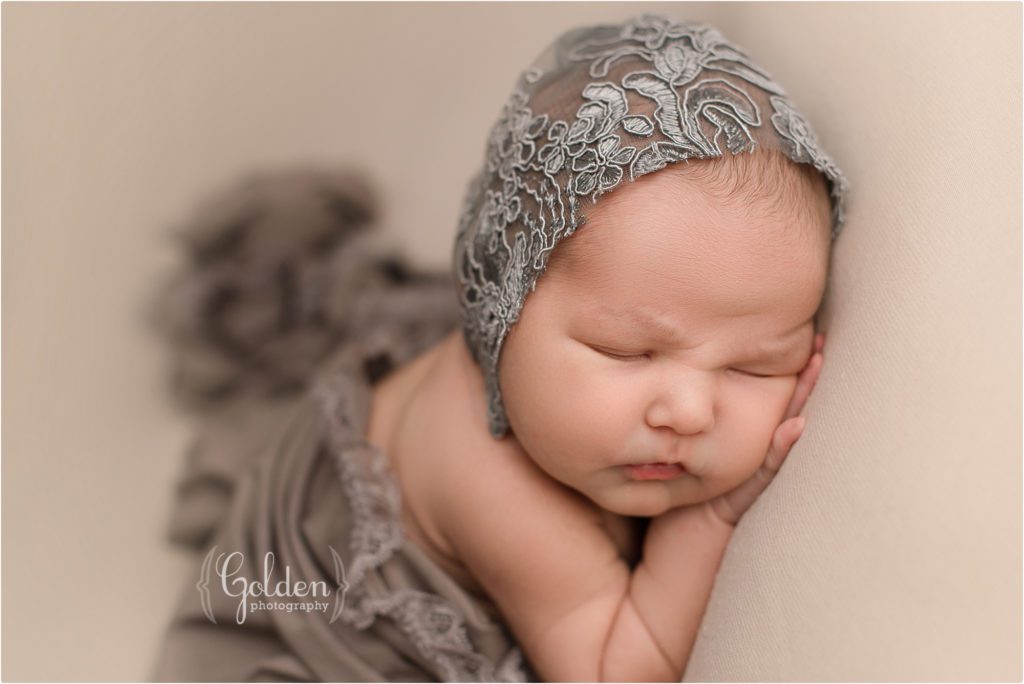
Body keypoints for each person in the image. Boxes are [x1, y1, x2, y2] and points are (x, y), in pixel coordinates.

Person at [152, 13, 847, 682]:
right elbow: (614, 670)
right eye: (627, 352)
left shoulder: (584, 406)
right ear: (500, 311)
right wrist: (708, 519)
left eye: (756, 362)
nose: (692, 411)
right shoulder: (498, 488)